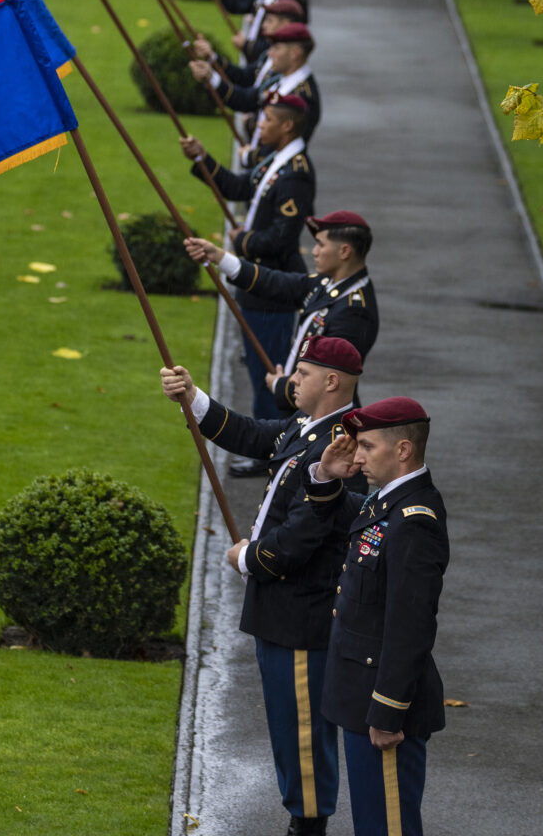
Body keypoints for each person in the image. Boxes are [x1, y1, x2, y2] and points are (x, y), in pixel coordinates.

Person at [160, 335, 367, 836]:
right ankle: (304, 816)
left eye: (303, 374)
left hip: (302, 610)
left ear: (332, 382)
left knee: (301, 731)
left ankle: (309, 823)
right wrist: (193, 397)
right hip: (282, 606)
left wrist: (250, 558)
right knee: (286, 725)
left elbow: (307, 533)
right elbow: (253, 435)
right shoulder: (308, 425)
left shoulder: (342, 445)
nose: (291, 381)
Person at [304, 398, 449, 836]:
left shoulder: (413, 520)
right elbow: (347, 520)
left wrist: (388, 710)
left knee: (387, 828)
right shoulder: (385, 502)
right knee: (374, 822)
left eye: (366, 445)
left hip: (383, 708)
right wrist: (327, 476)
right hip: (360, 698)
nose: (358, 456)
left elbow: (411, 626)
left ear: (403, 449)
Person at [185, 209, 378, 475]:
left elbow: (333, 378)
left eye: (321, 244)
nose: (314, 251)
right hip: (309, 409)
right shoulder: (330, 284)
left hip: (323, 411)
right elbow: (277, 283)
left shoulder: (355, 311)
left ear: (344, 251)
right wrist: (220, 257)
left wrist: (282, 385)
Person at [179, 93, 315, 419]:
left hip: (272, 290)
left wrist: (244, 240)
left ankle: (269, 448)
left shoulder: (296, 174)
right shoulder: (274, 159)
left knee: (269, 371)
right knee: (258, 370)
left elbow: (283, 238)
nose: (260, 124)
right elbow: (240, 187)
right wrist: (203, 159)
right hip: (254, 286)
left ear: (287, 126)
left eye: (268, 119)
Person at [190, 21, 320, 146]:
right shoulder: (281, 79)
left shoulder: (303, 96)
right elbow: (245, 98)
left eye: (277, 48)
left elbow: (283, 144)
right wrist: (211, 77)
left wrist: (251, 151)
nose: (270, 53)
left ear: (294, 53)